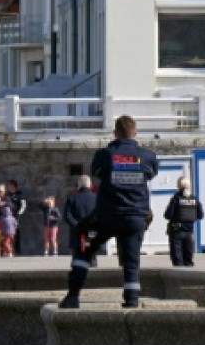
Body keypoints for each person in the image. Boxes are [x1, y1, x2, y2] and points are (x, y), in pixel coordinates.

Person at [60, 115, 159, 309]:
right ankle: (131, 300)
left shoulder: (105, 154)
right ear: (135, 133)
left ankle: (73, 295)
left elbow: (96, 172)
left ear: (115, 133)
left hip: (107, 216)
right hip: (136, 216)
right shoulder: (147, 156)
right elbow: (152, 173)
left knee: (84, 246)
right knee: (132, 260)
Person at [164, 177, 204, 267]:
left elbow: (168, 215)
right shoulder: (194, 199)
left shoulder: (175, 198)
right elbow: (200, 215)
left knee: (177, 260)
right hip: (189, 231)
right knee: (188, 259)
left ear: (178, 185)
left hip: (176, 231)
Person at [62, 175, 96, 261]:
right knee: (92, 257)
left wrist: (77, 225)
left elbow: (67, 216)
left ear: (79, 185)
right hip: (91, 231)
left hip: (76, 232)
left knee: (77, 261)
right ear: (90, 185)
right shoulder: (97, 198)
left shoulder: (72, 198)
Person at [7, 180, 27, 255]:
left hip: (15, 217)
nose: (9, 187)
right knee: (8, 233)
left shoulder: (20, 195)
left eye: (10, 185)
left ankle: (17, 251)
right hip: (7, 217)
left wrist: (18, 213)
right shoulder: (7, 195)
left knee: (16, 233)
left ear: (14, 186)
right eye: (8, 185)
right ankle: (8, 250)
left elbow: (23, 205)